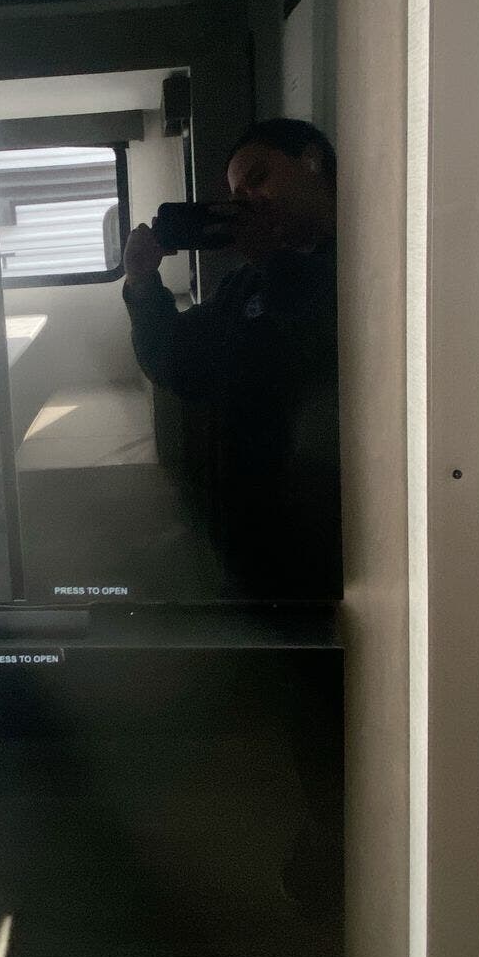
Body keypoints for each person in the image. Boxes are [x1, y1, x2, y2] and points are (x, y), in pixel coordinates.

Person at [121, 117, 340, 598]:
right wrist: (142, 283)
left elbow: (319, 344)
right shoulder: (246, 283)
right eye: (237, 198)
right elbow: (177, 361)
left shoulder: (368, 258)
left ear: (312, 160)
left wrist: (271, 258)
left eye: (259, 178)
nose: (249, 202)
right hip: (254, 538)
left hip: (329, 539)